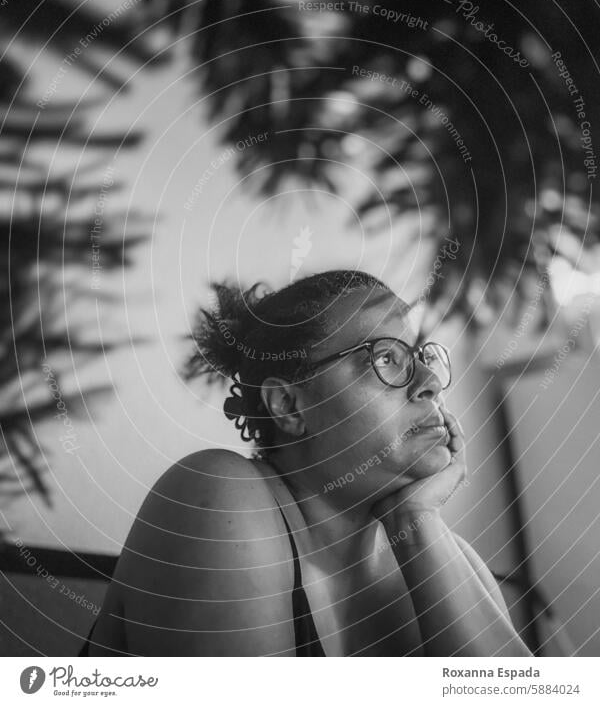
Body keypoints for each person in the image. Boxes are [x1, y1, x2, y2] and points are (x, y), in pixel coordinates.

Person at [79, 269, 532, 657]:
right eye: (385, 358)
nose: (430, 381)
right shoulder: (217, 498)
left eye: (420, 356)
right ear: (290, 407)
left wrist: (416, 523)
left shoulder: (446, 557)